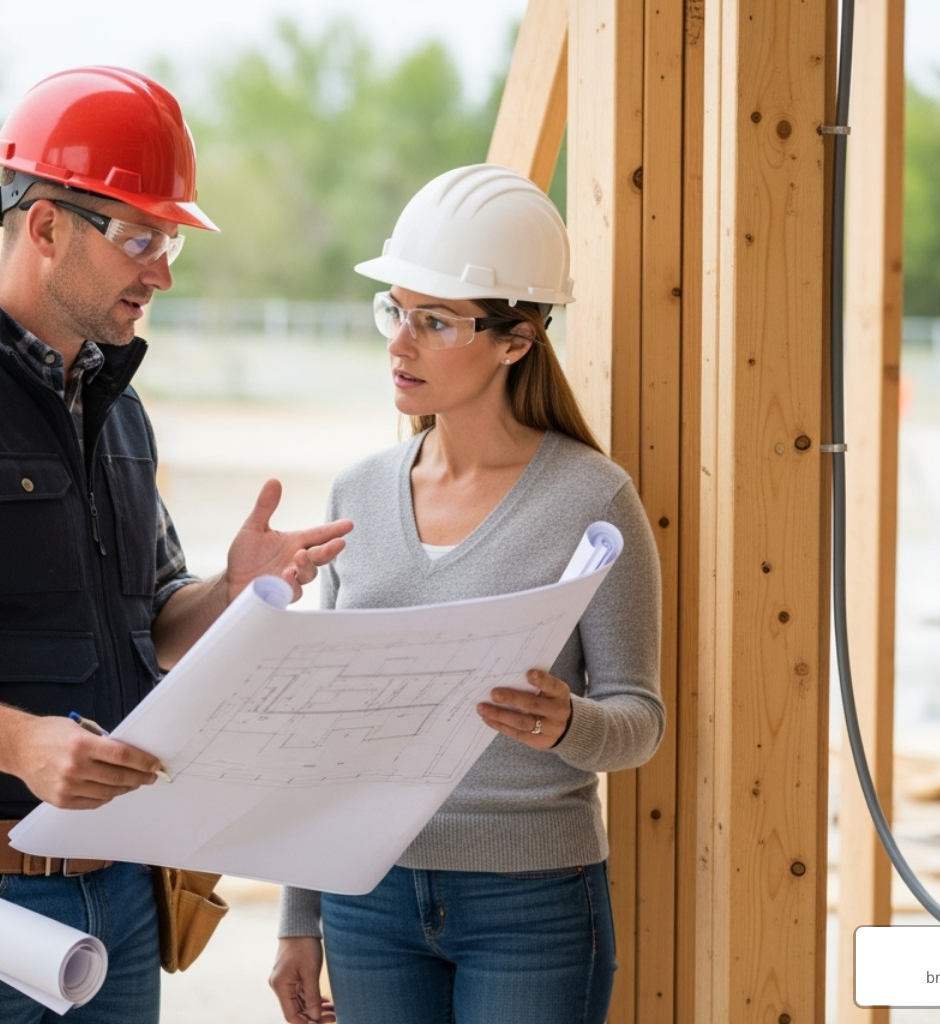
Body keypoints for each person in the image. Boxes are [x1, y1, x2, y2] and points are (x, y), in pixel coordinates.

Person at [0, 66, 350, 1024]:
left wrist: (229, 594)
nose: (163, 271)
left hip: (122, 896)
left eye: (170, 240)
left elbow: (152, 621)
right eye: (140, 237)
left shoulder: (117, 412)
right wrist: (21, 745)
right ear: (44, 226)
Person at [267, 163, 665, 1024]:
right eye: (395, 311)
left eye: (435, 321)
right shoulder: (357, 494)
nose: (398, 342)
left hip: (533, 905)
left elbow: (640, 721)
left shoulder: (593, 499)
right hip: (366, 899)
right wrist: (300, 919)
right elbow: (326, 737)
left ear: (515, 339)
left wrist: (570, 723)